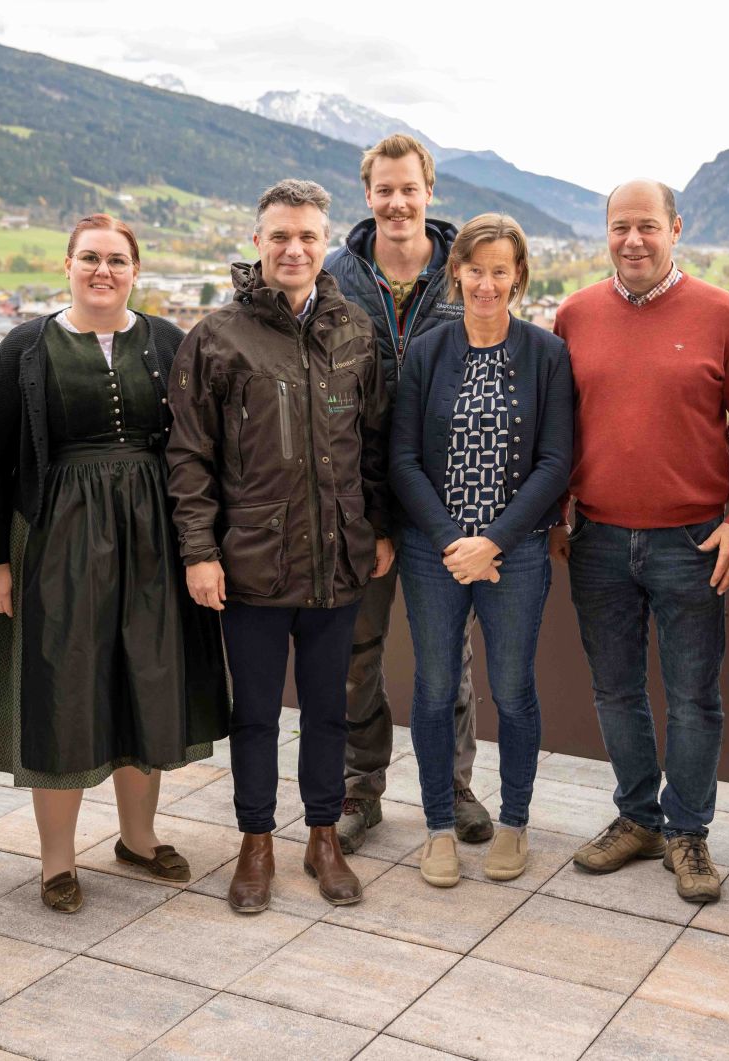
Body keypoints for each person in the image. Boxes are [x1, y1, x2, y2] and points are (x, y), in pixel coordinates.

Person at [0, 213, 230, 913]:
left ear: (135, 269)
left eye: (116, 258)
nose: (102, 270)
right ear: (68, 264)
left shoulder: (168, 340)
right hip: (57, 544)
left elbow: (202, 442)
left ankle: (137, 838)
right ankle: (56, 862)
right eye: (90, 258)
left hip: (154, 543)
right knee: (65, 689)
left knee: (146, 681)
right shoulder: (25, 346)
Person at [168, 178, 392, 914]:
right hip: (251, 565)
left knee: (330, 708)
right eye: (279, 236)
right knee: (256, 713)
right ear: (257, 241)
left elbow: (375, 446)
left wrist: (379, 529)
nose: (293, 248)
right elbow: (189, 457)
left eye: (307, 236)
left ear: (324, 242)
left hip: (338, 563)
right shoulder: (217, 336)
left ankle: (322, 836)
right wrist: (200, 552)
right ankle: (256, 841)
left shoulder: (355, 330)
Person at [551, 178, 729, 904]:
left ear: (676, 228)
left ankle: (688, 831)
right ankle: (638, 816)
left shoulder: (724, 314)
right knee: (616, 691)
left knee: (693, 697)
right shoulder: (574, 315)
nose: (633, 240)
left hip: (693, 540)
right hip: (599, 539)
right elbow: (557, 428)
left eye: (648, 225)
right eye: (621, 227)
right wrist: (559, 511)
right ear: (605, 232)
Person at [390, 213, 573, 887]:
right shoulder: (428, 352)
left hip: (516, 551)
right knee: (435, 689)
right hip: (432, 550)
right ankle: (438, 826)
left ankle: (516, 821)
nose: (487, 283)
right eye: (476, 269)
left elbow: (556, 462)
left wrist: (493, 540)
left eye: (501, 270)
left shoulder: (547, 354)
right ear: (457, 272)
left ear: (518, 276)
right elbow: (403, 459)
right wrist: (452, 541)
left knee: (514, 689)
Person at [324, 133, 492, 852]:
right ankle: (361, 787)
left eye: (409, 189)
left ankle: (451, 785)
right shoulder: (333, 276)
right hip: (355, 501)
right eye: (384, 190)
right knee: (355, 654)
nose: (397, 202)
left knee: (445, 655)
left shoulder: (467, 277)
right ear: (368, 196)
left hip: (444, 504)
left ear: (431, 192)